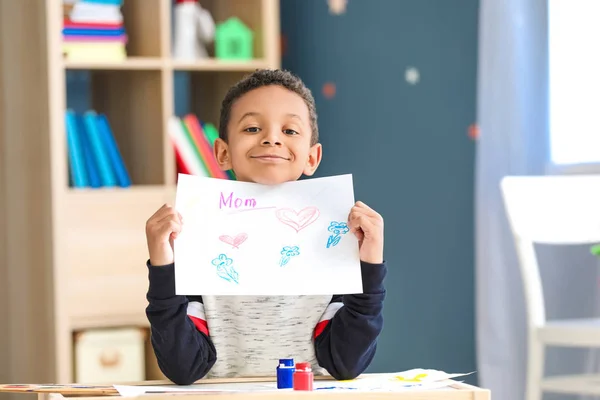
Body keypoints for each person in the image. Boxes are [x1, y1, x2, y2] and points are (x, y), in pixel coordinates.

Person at [145, 69, 387, 385]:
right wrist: (163, 265)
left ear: (312, 158)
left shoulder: (336, 240)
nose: (271, 138)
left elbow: (346, 362)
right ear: (222, 152)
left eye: (290, 130)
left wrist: (370, 264)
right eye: (253, 127)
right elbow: (183, 367)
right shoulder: (195, 238)